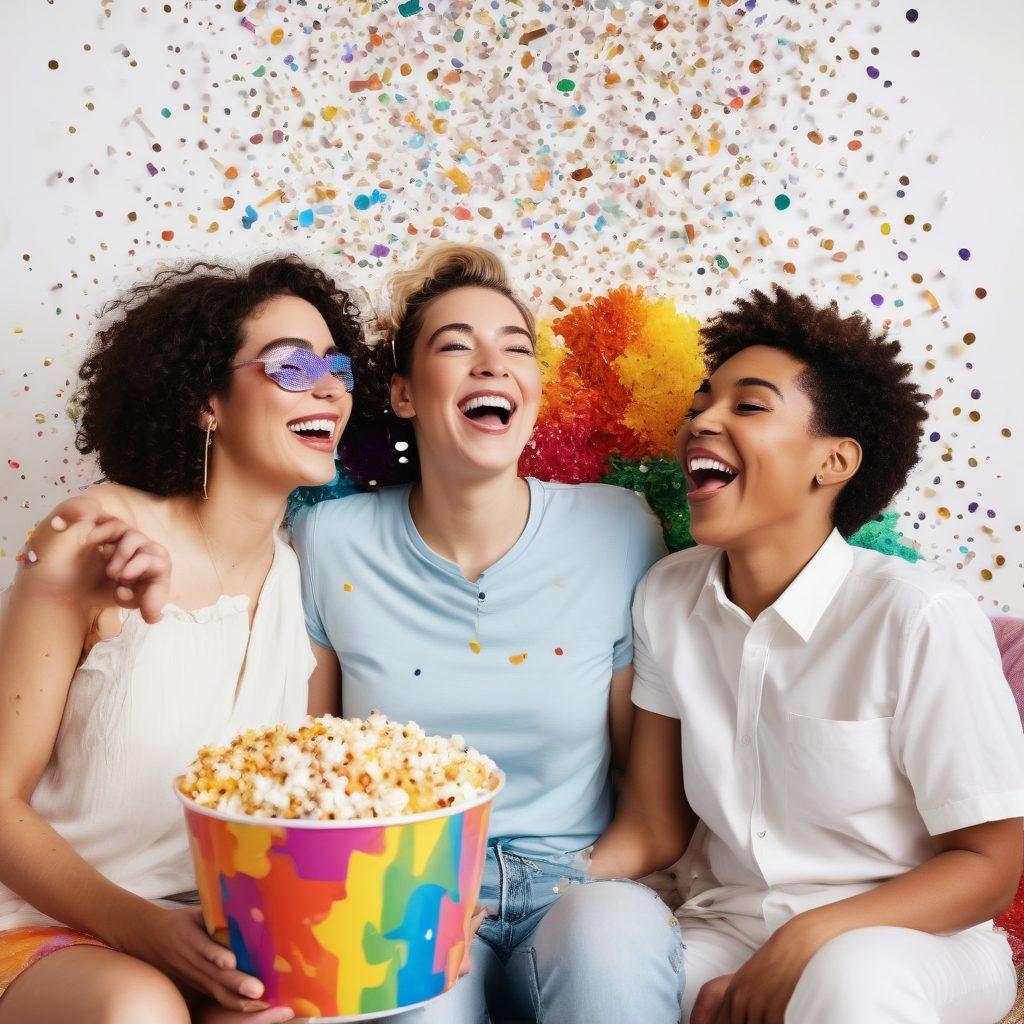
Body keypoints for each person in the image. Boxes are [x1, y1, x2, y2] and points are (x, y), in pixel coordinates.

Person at [590, 286, 1024, 1024]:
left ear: (834, 462)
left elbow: (990, 868)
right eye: (702, 403)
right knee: (600, 952)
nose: (702, 420)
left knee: (848, 981)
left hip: (911, 939)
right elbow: (655, 825)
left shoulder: (919, 617)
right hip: (723, 929)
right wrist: (537, 887)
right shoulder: (666, 596)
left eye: (748, 406)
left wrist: (810, 937)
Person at [290, 243, 684, 1023]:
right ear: (403, 394)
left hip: (579, 884)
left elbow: (656, 817)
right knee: (415, 1002)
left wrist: (568, 880)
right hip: (404, 887)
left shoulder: (618, 528)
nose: (492, 366)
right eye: (456, 347)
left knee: (610, 945)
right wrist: (401, 895)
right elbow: (310, 776)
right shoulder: (325, 540)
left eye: (515, 349)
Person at [0, 256, 373, 1024]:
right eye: (292, 366)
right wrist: (149, 934)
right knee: (137, 1009)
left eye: (336, 367)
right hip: (44, 926)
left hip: (212, 938)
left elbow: (293, 818)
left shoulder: (295, 580)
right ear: (207, 399)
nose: (330, 388)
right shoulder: (91, 534)